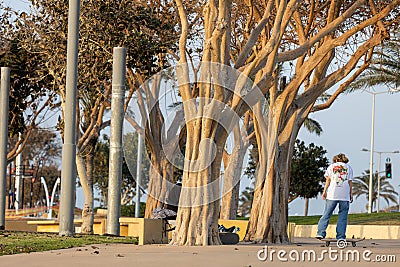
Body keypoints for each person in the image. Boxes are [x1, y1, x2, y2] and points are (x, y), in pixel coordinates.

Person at [316, 153, 353, 240]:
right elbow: (350, 182)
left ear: (336, 160)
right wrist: (351, 194)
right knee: (343, 217)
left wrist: (324, 191)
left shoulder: (331, 166)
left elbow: (328, 180)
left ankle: (321, 233)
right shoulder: (349, 168)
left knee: (326, 214)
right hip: (344, 195)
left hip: (332, 194)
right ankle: (340, 237)